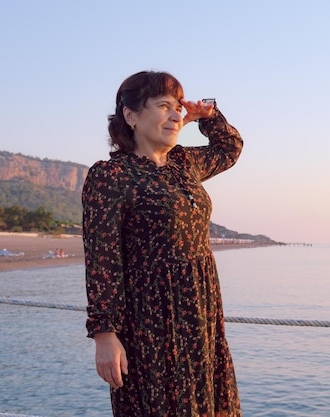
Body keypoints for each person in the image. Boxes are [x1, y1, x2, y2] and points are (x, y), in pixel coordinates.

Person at [82, 70, 242, 416]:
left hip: (200, 312)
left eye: (177, 107)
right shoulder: (111, 176)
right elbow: (102, 261)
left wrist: (205, 116)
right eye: (163, 106)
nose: (175, 114)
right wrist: (104, 335)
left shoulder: (184, 163)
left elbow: (230, 148)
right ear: (132, 116)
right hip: (151, 320)